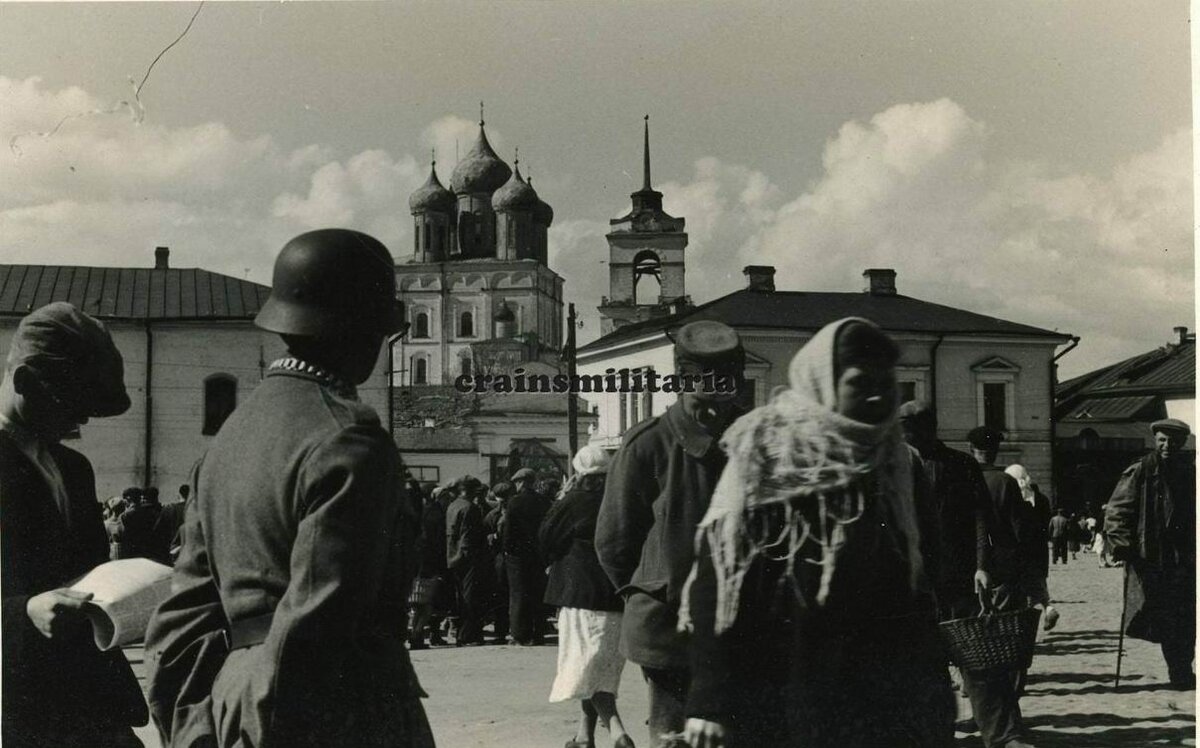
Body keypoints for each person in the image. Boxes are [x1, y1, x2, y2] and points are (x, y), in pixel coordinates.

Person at [144, 229, 434, 747]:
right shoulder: (348, 438)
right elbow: (320, 622)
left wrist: (194, 722)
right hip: (333, 713)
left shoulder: (230, 435)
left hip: (232, 697)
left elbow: (183, 613)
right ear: (362, 330)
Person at [678, 318, 952, 748]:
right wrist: (710, 701)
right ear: (822, 380)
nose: (879, 395)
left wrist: (932, 691)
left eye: (886, 382)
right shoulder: (769, 450)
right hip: (783, 674)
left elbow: (919, 573)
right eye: (860, 383)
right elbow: (722, 577)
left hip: (880, 687)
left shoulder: (896, 459)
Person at [0, 302, 148, 747]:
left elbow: (91, 567)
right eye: (72, 405)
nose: (82, 421)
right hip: (14, 701)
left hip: (89, 701)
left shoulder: (75, 468)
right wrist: (21, 613)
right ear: (25, 382)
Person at [596, 320, 746, 748]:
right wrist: (650, 589)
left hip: (745, 623)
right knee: (675, 737)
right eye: (706, 387)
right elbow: (613, 542)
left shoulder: (755, 438)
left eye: (728, 384)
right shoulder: (647, 444)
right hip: (670, 628)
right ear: (683, 381)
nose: (719, 403)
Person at [541, 445, 635, 748]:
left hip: (579, 595)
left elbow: (545, 538)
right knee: (596, 670)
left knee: (584, 669)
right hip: (615, 597)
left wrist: (561, 499)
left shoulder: (573, 501)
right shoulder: (622, 500)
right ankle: (584, 736)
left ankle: (618, 732)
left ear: (579, 472)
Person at [1105, 418, 1196, 690]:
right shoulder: (1141, 471)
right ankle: (1179, 670)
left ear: (1183, 442)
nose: (1168, 446)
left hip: (1186, 557)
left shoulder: (1189, 470)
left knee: (1186, 616)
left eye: (1174, 441)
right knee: (1164, 614)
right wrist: (1121, 544)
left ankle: (1182, 669)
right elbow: (1117, 509)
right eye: (1162, 440)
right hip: (1153, 556)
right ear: (1155, 441)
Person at [964, 426, 1037, 748]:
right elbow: (1019, 531)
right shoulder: (1005, 482)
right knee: (1002, 641)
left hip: (966, 570)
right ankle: (1005, 717)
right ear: (996, 450)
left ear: (971, 448)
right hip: (1002, 571)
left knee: (968, 637)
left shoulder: (962, 478)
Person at [506, 467, 552, 645]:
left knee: (518, 594)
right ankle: (538, 632)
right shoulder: (543, 501)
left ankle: (520, 634)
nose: (516, 485)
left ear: (523, 482)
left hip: (517, 555)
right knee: (537, 593)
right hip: (538, 554)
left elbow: (509, 531)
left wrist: (508, 549)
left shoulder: (514, 502)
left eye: (517, 482)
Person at [447, 477, 488, 646]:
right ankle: (468, 635)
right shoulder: (470, 508)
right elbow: (467, 537)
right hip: (468, 557)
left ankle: (462, 633)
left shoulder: (453, 505)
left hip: (453, 556)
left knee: (461, 596)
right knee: (471, 596)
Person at [484, 481, 514, 644]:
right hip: (500, 558)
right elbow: (485, 537)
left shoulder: (496, 514)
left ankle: (507, 628)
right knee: (502, 596)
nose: (503, 503)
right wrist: (492, 538)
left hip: (505, 558)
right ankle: (501, 630)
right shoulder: (492, 516)